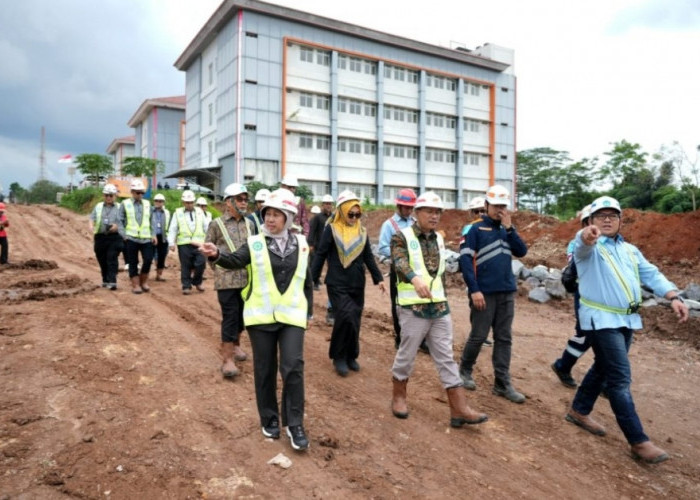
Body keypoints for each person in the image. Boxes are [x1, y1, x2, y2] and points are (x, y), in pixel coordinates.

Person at [565, 195, 688, 464]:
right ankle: (638, 440)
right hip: (601, 320)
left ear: (621, 220)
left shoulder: (630, 250)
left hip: (626, 320)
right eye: (601, 215)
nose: (607, 219)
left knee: (603, 367)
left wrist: (673, 296)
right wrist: (586, 236)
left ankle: (578, 410)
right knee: (619, 379)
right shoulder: (589, 247)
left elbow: (652, 274)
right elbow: (580, 246)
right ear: (591, 221)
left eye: (613, 215)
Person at [199, 188, 313, 451]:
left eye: (276, 214)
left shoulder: (302, 244)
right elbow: (233, 260)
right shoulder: (255, 243)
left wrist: (308, 313)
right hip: (260, 317)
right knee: (265, 370)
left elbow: (305, 281)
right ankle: (270, 418)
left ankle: (294, 424)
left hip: (292, 315)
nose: (270, 219)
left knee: (293, 367)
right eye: (267, 214)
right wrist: (216, 254)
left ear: (288, 216)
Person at [389, 191, 488, 427]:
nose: (434, 216)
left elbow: (439, 273)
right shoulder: (401, 237)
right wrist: (414, 279)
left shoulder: (439, 238)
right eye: (429, 212)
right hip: (413, 307)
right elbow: (399, 261)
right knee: (407, 353)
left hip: (439, 307)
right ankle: (399, 396)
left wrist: (444, 299)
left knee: (445, 356)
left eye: (437, 212)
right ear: (417, 213)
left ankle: (458, 408)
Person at [458, 185, 528, 404]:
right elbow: (465, 262)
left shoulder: (506, 229)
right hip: (484, 293)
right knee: (479, 335)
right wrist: (474, 290)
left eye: (503, 206)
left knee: (504, 338)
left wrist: (510, 229)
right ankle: (464, 371)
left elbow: (522, 252)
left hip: (506, 291)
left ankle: (502, 383)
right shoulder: (474, 230)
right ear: (486, 205)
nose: (500, 210)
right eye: (496, 206)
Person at [311, 190, 386, 376]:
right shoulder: (332, 229)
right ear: (342, 212)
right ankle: (338, 357)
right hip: (337, 282)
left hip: (357, 283)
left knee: (355, 320)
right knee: (345, 316)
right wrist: (311, 278)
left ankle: (351, 355)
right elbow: (320, 254)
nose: (354, 217)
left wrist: (379, 279)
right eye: (350, 214)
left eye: (357, 214)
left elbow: (368, 256)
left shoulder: (362, 232)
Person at [205, 183, 255, 378]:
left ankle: (236, 346)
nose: (244, 203)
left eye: (245, 199)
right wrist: (218, 269)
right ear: (228, 202)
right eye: (240, 199)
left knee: (243, 317)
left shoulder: (250, 224)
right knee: (230, 317)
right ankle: (227, 360)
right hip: (226, 280)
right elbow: (209, 250)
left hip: (247, 280)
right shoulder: (216, 224)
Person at [379, 188, 429, 353]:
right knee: (399, 305)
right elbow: (383, 247)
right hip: (398, 272)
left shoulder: (415, 223)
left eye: (411, 208)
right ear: (399, 206)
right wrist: (400, 255)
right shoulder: (389, 225)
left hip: (417, 271)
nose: (408, 211)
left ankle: (420, 339)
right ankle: (400, 338)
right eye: (406, 208)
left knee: (420, 302)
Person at [551, 204, 592, 388]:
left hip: (604, 298)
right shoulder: (576, 244)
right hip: (585, 294)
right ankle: (563, 365)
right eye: (590, 221)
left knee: (607, 337)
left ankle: (607, 380)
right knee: (584, 335)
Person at [460, 196, 493, 346]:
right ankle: (477, 335)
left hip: (488, 274)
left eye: (482, 211)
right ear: (471, 213)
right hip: (475, 274)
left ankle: (480, 335)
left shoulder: (492, 228)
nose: (480, 214)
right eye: (476, 211)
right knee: (476, 307)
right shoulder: (469, 229)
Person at [168, 190, 209, 295]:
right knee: (185, 265)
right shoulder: (178, 213)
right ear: (183, 202)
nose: (189, 204)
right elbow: (173, 228)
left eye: (191, 202)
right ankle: (186, 286)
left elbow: (206, 227)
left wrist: (209, 240)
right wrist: (171, 243)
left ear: (194, 202)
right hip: (184, 244)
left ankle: (197, 281)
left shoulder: (200, 212)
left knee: (201, 263)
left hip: (199, 243)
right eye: (187, 202)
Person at [119, 179, 155, 294]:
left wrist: (153, 234)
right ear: (132, 192)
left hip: (146, 238)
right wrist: (124, 235)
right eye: (138, 192)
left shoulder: (148, 204)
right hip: (131, 238)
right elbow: (119, 221)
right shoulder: (125, 204)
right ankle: (135, 284)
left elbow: (152, 220)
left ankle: (143, 281)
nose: (140, 195)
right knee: (132, 262)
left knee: (148, 259)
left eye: (142, 192)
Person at [89, 184, 123, 290]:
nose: (108, 197)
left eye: (111, 195)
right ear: (103, 195)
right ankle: (105, 278)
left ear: (115, 196)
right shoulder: (98, 206)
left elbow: (124, 221)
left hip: (115, 237)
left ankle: (112, 281)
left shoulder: (120, 207)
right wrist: (91, 227)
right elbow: (92, 218)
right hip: (100, 237)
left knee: (112, 257)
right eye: (107, 195)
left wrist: (117, 226)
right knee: (102, 259)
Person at [308, 194, 333, 291]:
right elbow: (312, 231)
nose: (328, 206)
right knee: (317, 264)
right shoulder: (317, 217)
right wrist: (310, 244)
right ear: (323, 205)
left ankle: (331, 281)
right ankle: (315, 282)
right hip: (319, 245)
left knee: (332, 265)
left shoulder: (333, 217)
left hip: (331, 246)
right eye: (326, 204)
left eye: (330, 204)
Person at [150, 193, 171, 282]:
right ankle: (145, 273)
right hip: (151, 236)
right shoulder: (150, 210)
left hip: (162, 236)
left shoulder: (167, 212)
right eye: (157, 201)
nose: (158, 202)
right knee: (149, 255)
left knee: (162, 256)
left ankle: (159, 275)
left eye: (160, 201)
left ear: (163, 202)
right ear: (154, 201)